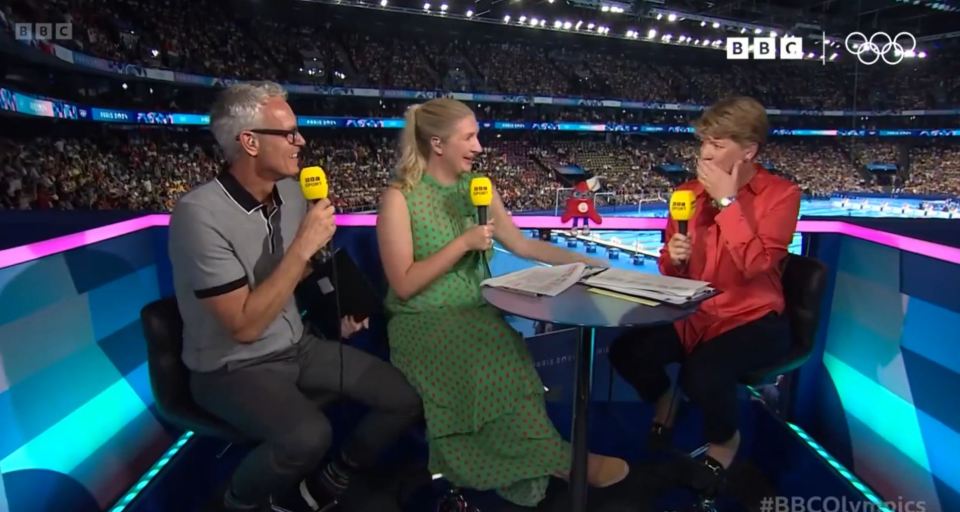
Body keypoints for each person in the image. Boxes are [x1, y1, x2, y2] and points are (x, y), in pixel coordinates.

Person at [168, 81, 421, 512]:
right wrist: (305, 243)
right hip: (229, 367)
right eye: (287, 133)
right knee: (308, 434)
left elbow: (300, 273)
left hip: (297, 345)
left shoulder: (291, 191)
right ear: (248, 142)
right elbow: (244, 327)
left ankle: (336, 475)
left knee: (404, 398)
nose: (300, 141)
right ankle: (238, 503)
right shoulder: (198, 216)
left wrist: (332, 314)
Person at [376, 98, 630, 508]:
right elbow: (404, 284)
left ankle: (535, 467)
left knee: (513, 366)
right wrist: (463, 243)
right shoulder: (398, 198)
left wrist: (588, 261)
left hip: (477, 314)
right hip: (422, 321)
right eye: (470, 137)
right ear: (437, 143)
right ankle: (566, 462)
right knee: (483, 368)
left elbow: (522, 244)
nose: (479, 146)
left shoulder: (480, 187)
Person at [608, 96, 800, 495]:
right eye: (704, 143)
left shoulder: (781, 195)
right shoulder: (688, 193)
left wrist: (728, 202)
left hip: (752, 318)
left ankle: (725, 441)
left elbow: (757, 266)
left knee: (704, 374)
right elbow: (671, 267)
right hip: (696, 314)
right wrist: (674, 258)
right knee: (626, 352)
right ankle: (666, 401)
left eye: (717, 144)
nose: (705, 153)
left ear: (748, 150)